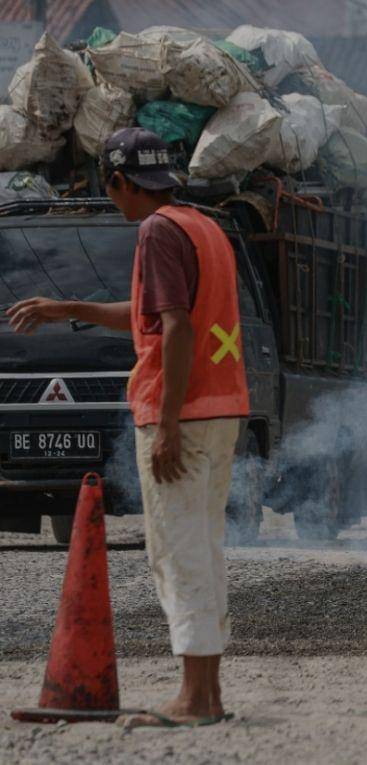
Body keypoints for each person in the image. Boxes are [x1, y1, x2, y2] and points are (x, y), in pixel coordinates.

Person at [7, 128, 249, 726]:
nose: (109, 197)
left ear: (117, 181)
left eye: (108, 187)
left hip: (185, 416)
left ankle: (193, 700)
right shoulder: (203, 225)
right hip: (221, 410)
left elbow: (175, 329)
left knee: (178, 552)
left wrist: (166, 423)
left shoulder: (156, 231)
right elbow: (152, 315)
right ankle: (209, 696)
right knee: (205, 548)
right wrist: (69, 309)